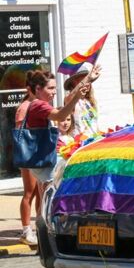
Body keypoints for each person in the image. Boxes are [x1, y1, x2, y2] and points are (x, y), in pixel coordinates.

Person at [21, 70, 90, 245]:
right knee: (54, 197)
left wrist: (86, 83)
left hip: (44, 161)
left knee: (47, 200)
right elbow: (60, 115)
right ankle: (50, 239)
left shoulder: (37, 104)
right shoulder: (39, 105)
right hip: (44, 163)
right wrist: (76, 97)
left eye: (55, 88)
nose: (54, 92)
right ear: (38, 88)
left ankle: (47, 239)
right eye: (51, 88)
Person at [14, 80, 41, 246]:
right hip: (29, 154)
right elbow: (20, 133)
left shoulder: (37, 104)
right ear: (30, 90)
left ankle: (39, 227)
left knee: (40, 192)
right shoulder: (25, 106)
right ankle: (26, 230)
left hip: (37, 154)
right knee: (29, 192)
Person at [64, 64, 101, 137]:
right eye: (82, 80)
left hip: (93, 142)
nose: (87, 82)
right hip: (80, 144)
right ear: (73, 83)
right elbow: (71, 96)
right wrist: (88, 78)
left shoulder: (89, 101)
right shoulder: (70, 99)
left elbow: (94, 125)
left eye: (89, 80)